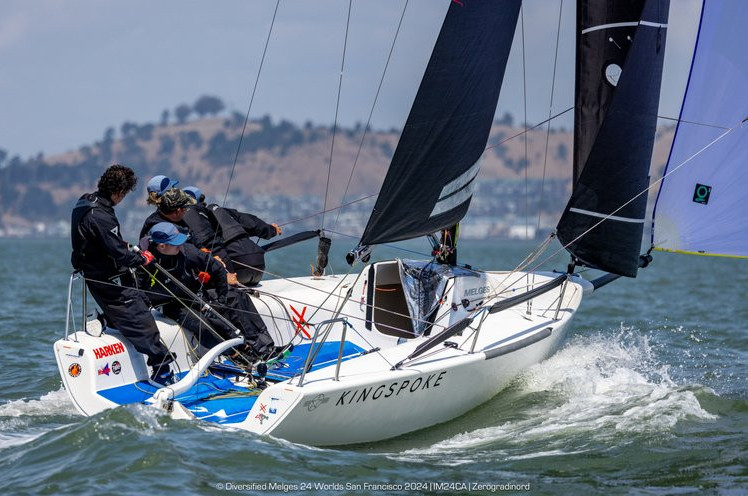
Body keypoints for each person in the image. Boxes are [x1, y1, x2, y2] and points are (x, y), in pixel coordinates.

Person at [70, 164, 176, 386]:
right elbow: (119, 255)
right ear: (119, 192)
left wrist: (125, 246)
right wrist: (143, 258)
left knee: (141, 300)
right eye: (125, 194)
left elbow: (100, 240)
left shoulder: (85, 200)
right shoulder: (101, 216)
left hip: (95, 273)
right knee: (142, 320)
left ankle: (107, 320)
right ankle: (162, 368)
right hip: (107, 278)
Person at [136, 222, 277, 363]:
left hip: (192, 293)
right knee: (201, 323)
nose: (180, 245)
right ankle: (235, 355)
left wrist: (221, 299)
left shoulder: (186, 250)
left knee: (235, 296)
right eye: (176, 244)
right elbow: (136, 290)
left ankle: (262, 346)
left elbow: (217, 268)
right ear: (162, 246)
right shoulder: (144, 261)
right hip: (170, 304)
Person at [182, 185, 282, 286]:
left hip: (236, 271)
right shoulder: (220, 211)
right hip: (259, 266)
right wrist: (272, 229)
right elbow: (252, 223)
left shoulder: (191, 218)